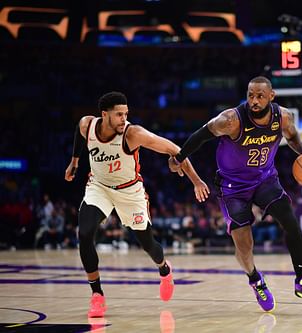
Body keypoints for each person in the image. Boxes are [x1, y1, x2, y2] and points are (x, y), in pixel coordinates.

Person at [168, 76, 302, 312]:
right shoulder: (231, 120)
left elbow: (292, 136)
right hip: (233, 187)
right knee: (244, 243)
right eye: (251, 95)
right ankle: (255, 279)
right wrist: (179, 158)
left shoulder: (283, 116)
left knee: (290, 222)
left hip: (264, 179)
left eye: (260, 96)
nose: (254, 100)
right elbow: (201, 135)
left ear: (271, 96)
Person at [65, 91, 209, 318]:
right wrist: (74, 162)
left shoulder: (133, 134)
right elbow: (78, 133)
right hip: (99, 187)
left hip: (130, 192)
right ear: (105, 115)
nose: (124, 119)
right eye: (119, 114)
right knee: (84, 234)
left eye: (126, 114)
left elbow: (174, 149)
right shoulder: (87, 125)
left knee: (148, 244)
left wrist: (196, 181)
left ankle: (164, 268)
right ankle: (97, 295)